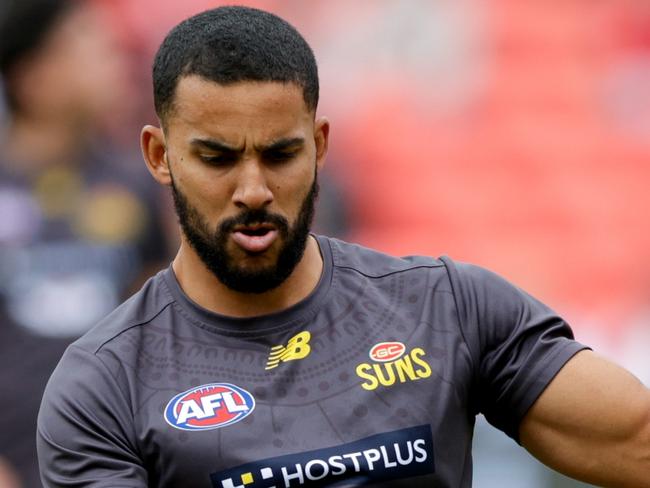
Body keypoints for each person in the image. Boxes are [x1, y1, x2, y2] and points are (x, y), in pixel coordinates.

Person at [36, 6, 650, 488]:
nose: (253, 189)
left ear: (320, 145)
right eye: (217, 158)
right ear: (158, 156)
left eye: (281, 153)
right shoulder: (105, 385)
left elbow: (634, 440)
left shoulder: (447, 308)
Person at [0, 1, 170, 486]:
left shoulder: (138, 181)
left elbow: (160, 319)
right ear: (30, 74)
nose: (111, 61)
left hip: (113, 448)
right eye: (87, 46)